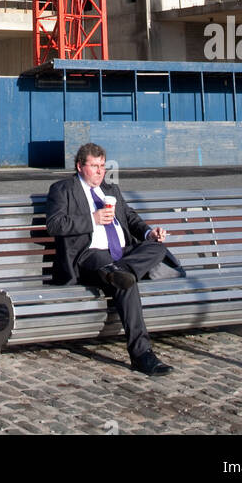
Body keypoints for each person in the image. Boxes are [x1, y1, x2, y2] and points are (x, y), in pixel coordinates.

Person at [45, 142, 183, 377]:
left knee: (156, 249)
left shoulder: (111, 191)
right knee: (125, 281)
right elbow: (54, 224)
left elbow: (130, 218)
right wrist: (93, 219)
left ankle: (121, 271)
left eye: (102, 166)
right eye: (94, 166)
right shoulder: (62, 189)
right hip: (88, 255)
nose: (100, 171)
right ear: (80, 166)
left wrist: (150, 233)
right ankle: (142, 355)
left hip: (120, 255)